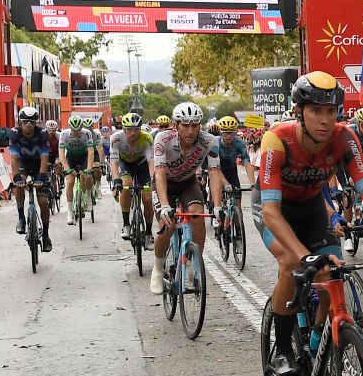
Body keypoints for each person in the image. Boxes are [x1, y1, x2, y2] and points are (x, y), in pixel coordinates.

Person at [252, 71, 363, 376]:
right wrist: (303, 254)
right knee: (289, 261)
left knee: (332, 268)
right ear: (300, 111)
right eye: (315, 111)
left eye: (330, 111)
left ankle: (319, 335)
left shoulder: (343, 137)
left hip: (311, 207)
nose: (324, 119)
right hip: (275, 208)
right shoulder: (277, 139)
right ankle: (281, 351)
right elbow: (270, 211)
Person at [149, 102, 225, 295]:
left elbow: (215, 173)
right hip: (164, 183)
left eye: (195, 124)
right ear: (176, 124)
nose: (190, 130)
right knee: (168, 223)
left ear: (201, 125)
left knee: (197, 214)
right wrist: (165, 205)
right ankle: (157, 269)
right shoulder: (162, 138)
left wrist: (217, 206)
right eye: (185, 124)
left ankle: (194, 264)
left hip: (187, 183)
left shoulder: (210, 141)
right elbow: (159, 173)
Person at [8, 106, 52, 251]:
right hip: (23, 163)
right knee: (18, 185)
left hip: (39, 163)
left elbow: (45, 159)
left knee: (43, 202)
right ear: (20, 122)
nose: (28, 125)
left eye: (32, 122)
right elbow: (14, 159)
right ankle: (21, 218)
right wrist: (16, 178)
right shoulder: (14, 133)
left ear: (36, 123)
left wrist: (41, 177)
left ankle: (45, 235)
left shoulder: (43, 133)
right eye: (25, 122)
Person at [109, 112, 155, 243]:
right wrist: (116, 179)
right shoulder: (116, 138)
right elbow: (114, 162)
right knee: (126, 185)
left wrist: (153, 180)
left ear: (140, 129)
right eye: (129, 130)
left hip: (142, 165)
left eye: (136, 130)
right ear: (123, 129)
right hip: (126, 164)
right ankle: (126, 225)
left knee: (147, 198)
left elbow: (151, 161)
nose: (133, 133)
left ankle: (148, 233)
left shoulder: (147, 138)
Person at [213, 116, 255, 237]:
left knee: (237, 206)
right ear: (221, 132)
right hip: (217, 171)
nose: (228, 136)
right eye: (226, 133)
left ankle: (238, 234)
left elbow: (247, 162)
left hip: (231, 172)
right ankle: (216, 215)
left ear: (235, 132)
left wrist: (252, 183)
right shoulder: (215, 143)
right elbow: (215, 168)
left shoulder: (239, 143)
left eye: (231, 133)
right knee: (218, 195)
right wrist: (225, 183)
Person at [59, 116, 97, 227]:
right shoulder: (64, 134)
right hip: (70, 157)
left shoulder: (87, 133)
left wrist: (89, 169)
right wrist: (67, 169)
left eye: (78, 130)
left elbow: (90, 152)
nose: (76, 133)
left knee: (88, 176)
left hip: (84, 156)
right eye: (74, 130)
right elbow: (61, 154)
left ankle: (88, 196)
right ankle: (70, 212)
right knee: (70, 182)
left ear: (82, 127)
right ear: (69, 127)